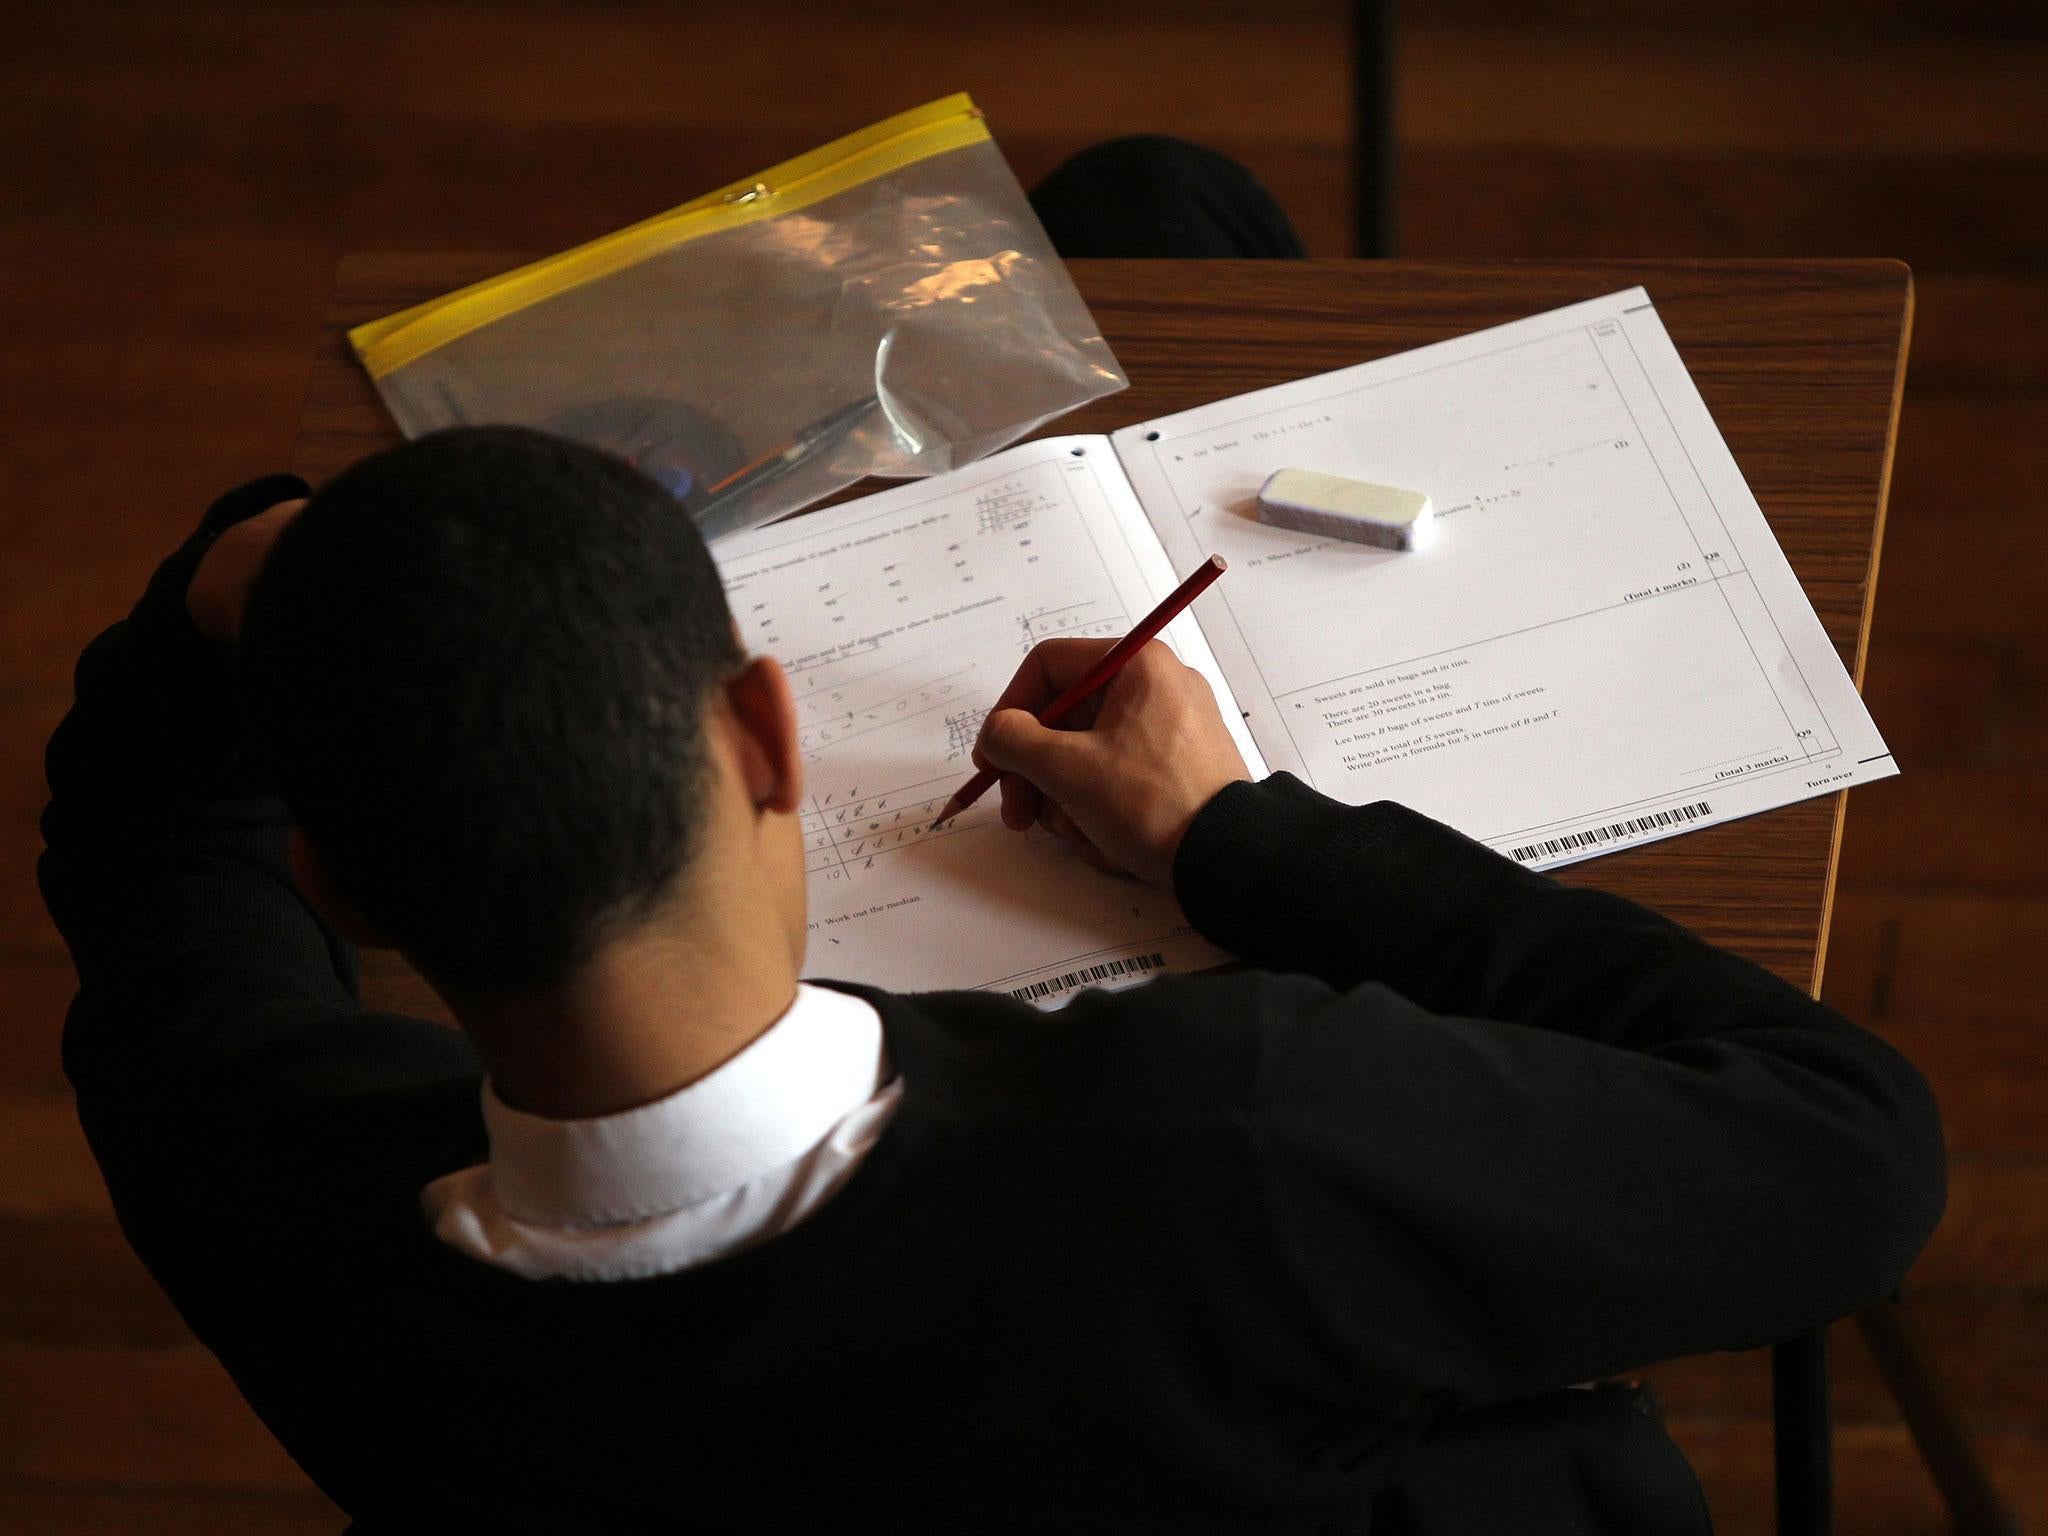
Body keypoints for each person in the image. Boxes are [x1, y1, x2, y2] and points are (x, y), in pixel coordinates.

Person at [40, 144, 1943, 1534]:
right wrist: (1243, 843)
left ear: (340, 887)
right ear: (770, 730)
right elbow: (1850, 1151)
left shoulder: (260, 1183)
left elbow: (141, 857)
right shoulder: (1234, 1146)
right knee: (1169, 196)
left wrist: (237, 571)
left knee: (1141, 202)